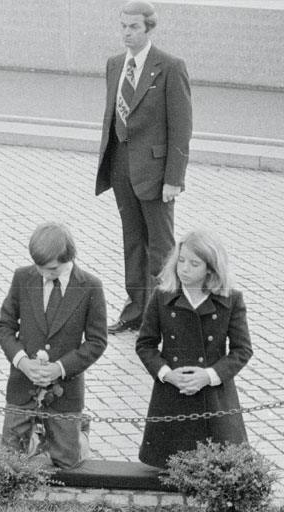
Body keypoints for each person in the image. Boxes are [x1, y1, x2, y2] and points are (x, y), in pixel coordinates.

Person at [95, 1, 192, 334]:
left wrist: (174, 179)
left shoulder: (169, 67)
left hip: (155, 173)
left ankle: (164, 317)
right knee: (132, 241)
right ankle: (135, 311)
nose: (126, 32)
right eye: (122, 25)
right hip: (121, 165)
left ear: (150, 28)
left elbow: (181, 127)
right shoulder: (114, 65)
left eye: (133, 27)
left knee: (161, 247)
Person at [135, 230, 252, 469]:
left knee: (218, 466)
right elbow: (145, 344)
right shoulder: (162, 296)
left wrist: (208, 376)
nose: (184, 268)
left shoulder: (231, 300)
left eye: (194, 263)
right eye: (181, 261)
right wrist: (167, 374)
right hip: (172, 395)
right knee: (170, 466)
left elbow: (242, 350)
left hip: (214, 397)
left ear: (211, 268)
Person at [0, 223, 107, 469]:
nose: (44, 274)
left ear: (69, 258)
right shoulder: (23, 277)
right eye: (39, 267)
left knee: (66, 462)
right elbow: (4, 327)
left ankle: (80, 433)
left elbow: (97, 342)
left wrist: (60, 368)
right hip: (22, 385)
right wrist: (22, 362)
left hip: (65, 389)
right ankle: (37, 440)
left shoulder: (90, 286)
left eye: (52, 269)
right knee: (8, 460)